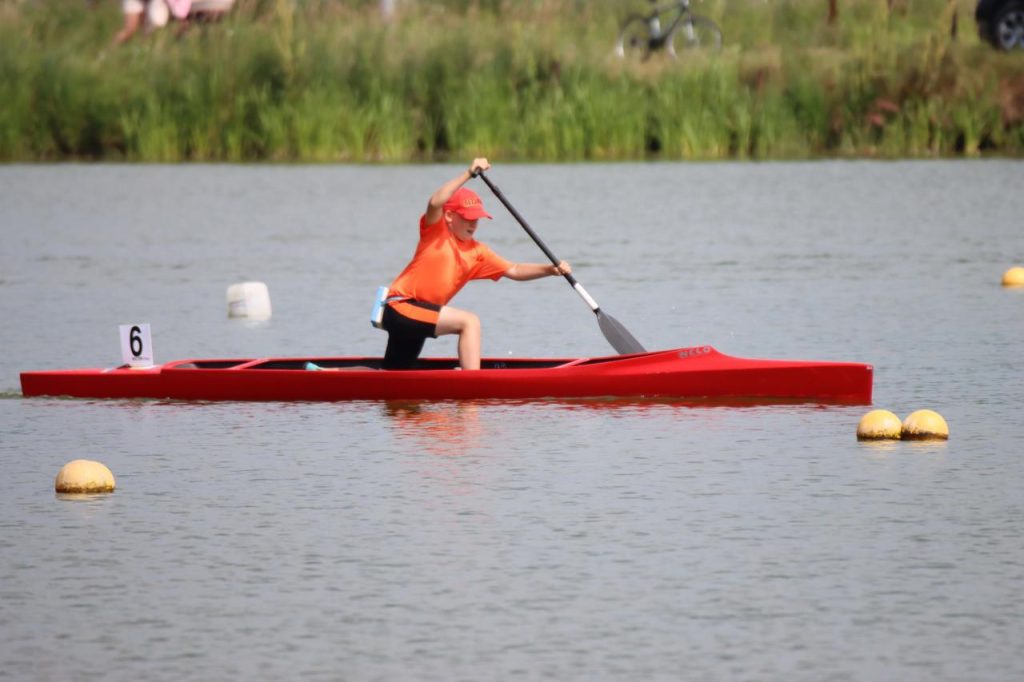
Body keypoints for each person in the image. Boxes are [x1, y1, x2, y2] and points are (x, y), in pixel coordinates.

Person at [381, 158, 571, 371]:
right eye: (468, 217)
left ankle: (340, 377)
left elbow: (514, 270)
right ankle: (473, 387)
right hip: (401, 306)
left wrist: (549, 270)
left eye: (477, 218)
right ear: (450, 216)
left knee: (394, 374)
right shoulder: (436, 233)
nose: (474, 223)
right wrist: (468, 173)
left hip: (421, 314)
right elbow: (435, 202)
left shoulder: (478, 252)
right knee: (469, 322)